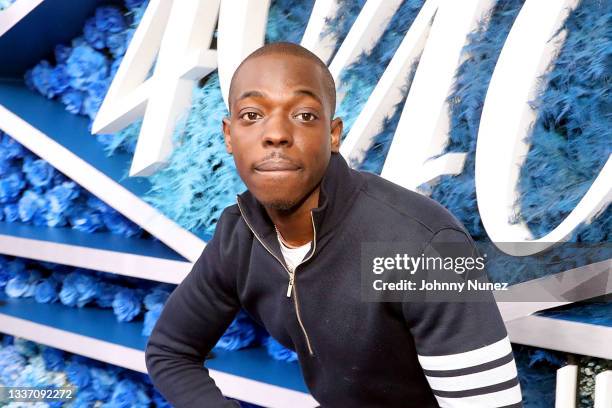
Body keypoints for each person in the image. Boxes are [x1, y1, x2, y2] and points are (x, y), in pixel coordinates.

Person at [145, 41, 523, 407]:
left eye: (304, 115)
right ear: (229, 135)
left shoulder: (427, 245)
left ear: (333, 134)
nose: (275, 134)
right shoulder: (240, 235)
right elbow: (170, 351)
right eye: (252, 115)